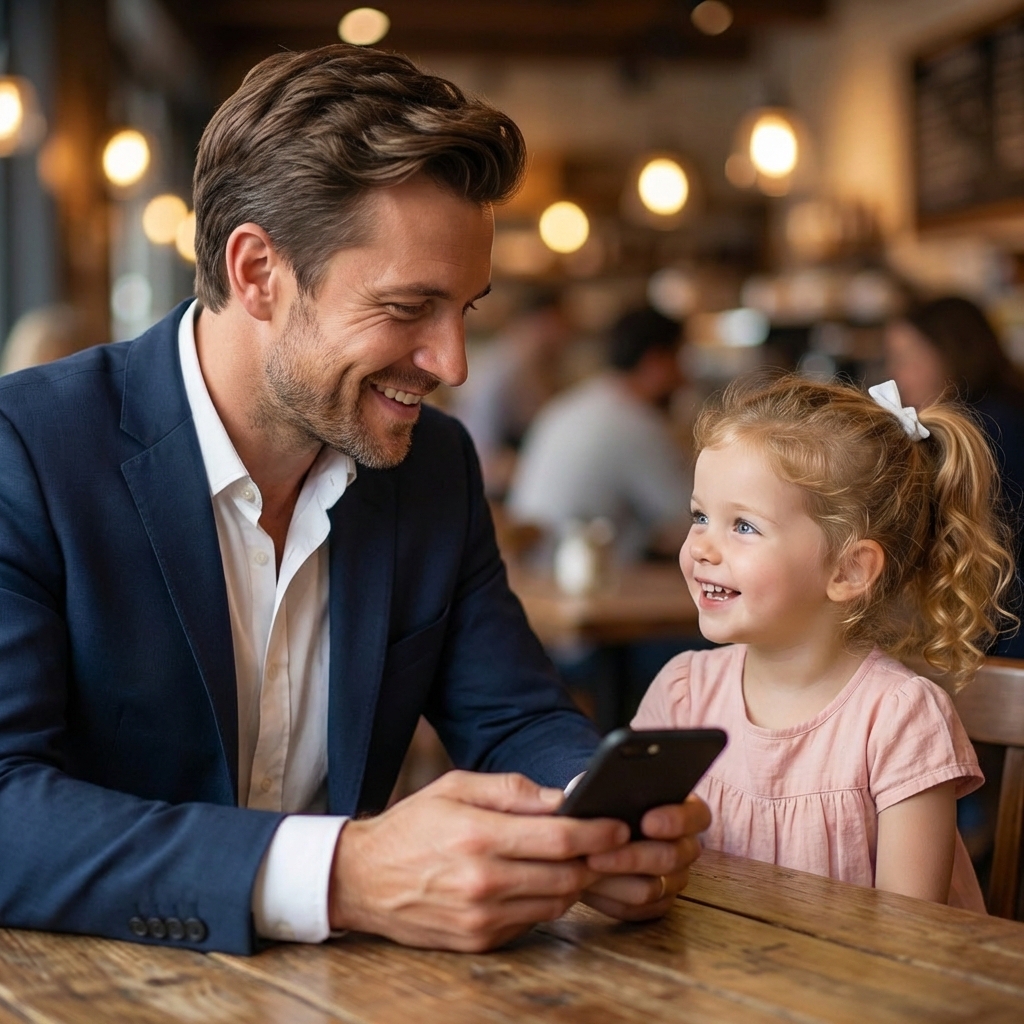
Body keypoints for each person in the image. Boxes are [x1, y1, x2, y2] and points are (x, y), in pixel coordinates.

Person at [0, 46, 709, 955]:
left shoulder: (433, 466)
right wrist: (342, 875)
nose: (451, 364)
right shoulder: (26, 451)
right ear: (257, 271)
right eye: (409, 307)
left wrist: (595, 823)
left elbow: (514, 716)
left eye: (467, 310)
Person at [632, 374, 1016, 910]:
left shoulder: (899, 718)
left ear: (849, 570)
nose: (702, 547)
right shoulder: (681, 694)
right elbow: (635, 865)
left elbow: (910, 938)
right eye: (700, 516)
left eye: (743, 526)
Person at [885, 296, 1024, 657]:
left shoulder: (982, 431)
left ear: (954, 353)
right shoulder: (1006, 410)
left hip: (1004, 623)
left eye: (909, 358)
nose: (899, 376)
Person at [508, 306, 691, 562]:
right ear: (656, 362)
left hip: (532, 574)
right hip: (578, 584)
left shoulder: (574, 404)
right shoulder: (634, 422)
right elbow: (689, 518)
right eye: (680, 360)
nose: (685, 377)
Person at [451, 291, 571, 498]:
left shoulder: (530, 367)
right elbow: (479, 455)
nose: (565, 335)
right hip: (486, 493)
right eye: (559, 325)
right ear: (538, 322)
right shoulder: (503, 372)